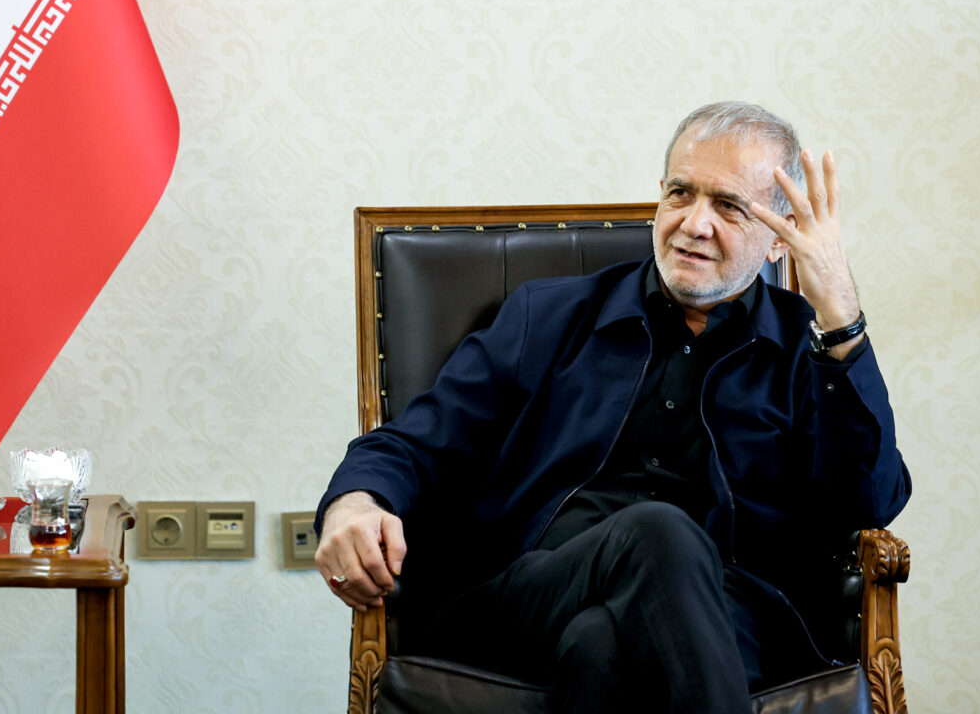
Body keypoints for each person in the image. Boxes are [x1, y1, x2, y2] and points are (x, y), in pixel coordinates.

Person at [314, 101, 911, 712]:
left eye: (729, 206)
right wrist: (353, 502)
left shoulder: (805, 349)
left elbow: (867, 501)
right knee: (657, 533)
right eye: (681, 193)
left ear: (781, 237)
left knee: (598, 644)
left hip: (733, 614)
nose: (695, 224)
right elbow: (414, 441)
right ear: (660, 195)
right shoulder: (544, 317)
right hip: (531, 594)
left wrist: (839, 316)